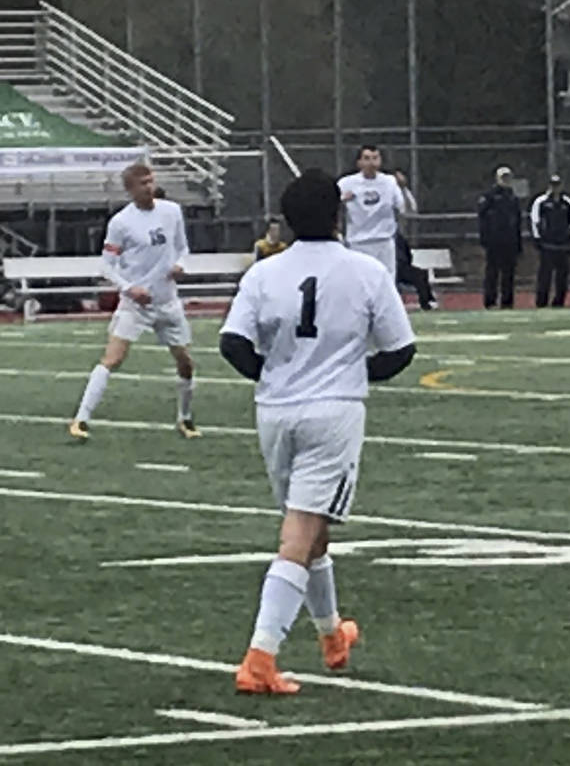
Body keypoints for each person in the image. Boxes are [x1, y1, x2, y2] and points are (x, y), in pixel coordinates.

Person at [219, 169, 418, 694]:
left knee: (312, 528)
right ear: (339, 214)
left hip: (275, 411)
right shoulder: (366, 270)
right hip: (332, 413)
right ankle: (261, 655)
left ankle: (333, 636)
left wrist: (279, 374)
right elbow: (400, 351)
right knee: (299, 533)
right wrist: (350, 373)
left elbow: (233, 345)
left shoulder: (264, 272)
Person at [68, 162, 201, 441]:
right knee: (113, 358)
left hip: (167, 301)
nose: (150, 187)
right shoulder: (121, 223)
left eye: (152, 181)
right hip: (136, 305)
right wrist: (130, 289)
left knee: (186, 362)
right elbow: (107, 266)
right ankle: (80, 419)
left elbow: (183, 248)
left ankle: (185, 418)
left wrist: (180, 265)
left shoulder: (171, 211)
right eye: (143, 183)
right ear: (130, 189)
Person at [338, 145, 406, 278]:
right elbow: (331, 203)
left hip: (383, 241)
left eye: (375, 158)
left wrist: (403, 188)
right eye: (367, 158)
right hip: (358, 242)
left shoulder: (389, 182)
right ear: (359, 162)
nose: (371, 163)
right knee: (360, 280)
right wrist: (342, 199)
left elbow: (402, 207)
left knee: (387, 279)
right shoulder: (346, 183)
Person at [388, 170, 439, 310]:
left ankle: (427, 302)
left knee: (419, 274)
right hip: (386, 264)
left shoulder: (397, 235)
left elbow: (408, 208)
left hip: (400, 266)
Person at [475, 166, 524, 309]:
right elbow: (482, 219)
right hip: (494, 242)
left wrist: (518, 242)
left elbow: (517, 221)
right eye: (503, 177)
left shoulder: (512, 197)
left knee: (508, 274)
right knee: (492, 273)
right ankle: (490, 301)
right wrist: (484, 239)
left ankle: (507, 302)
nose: (506, 180)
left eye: (508, 177)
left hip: (510, 241)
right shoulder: (489, 196)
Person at [531, 174, 570, 308]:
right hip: (547, 244)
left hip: (563, 245)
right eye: (553, 185)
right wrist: (537, 238)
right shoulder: (541, 202)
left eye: (558, 185)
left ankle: (559, 301)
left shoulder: (567, 203)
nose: (555, 188)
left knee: (562, 276)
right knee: (544, 275)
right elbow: (535, 221)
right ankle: (541, 302)